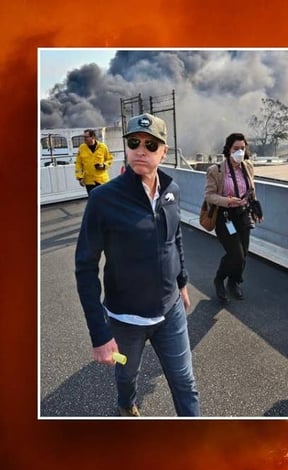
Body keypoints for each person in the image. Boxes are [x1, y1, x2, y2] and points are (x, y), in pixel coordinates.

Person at [75, 113, 199, 417]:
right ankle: (125, 405)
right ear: (126, 147)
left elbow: (175, 237)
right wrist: (99, 334)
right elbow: (85, 267)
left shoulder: (173, 191)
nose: (141, 149)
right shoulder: (103, 199)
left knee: (185, 382)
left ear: (164, 151)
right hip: (124, 320)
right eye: (134, 142)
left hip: (170, 314)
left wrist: (182, 282)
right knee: (127, 375)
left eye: (151, 144)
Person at [204, 132, 263, 303]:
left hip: (243, 215)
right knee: (235, 254)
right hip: (225, 217)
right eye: (236, 148)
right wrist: (227, 201)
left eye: (242, 149)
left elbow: (251, 190)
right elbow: (209, 196)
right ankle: (219, 279)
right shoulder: (216, 170)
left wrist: (256, 208)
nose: (240, 152)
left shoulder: (248, 167)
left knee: (243, 254)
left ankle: (233, 282)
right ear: (228, 149)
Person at [75, 128, 113, 195]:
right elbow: (78, 164)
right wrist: (80, 177)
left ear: (93, 137)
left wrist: (104, 166)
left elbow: (110, 159)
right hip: (89, 181)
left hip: (102, 180)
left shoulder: (103, 147)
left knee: (104, 199)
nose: (84, 139)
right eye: (84, 137)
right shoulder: (82, 148)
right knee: (93, 201)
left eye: (86, 137)